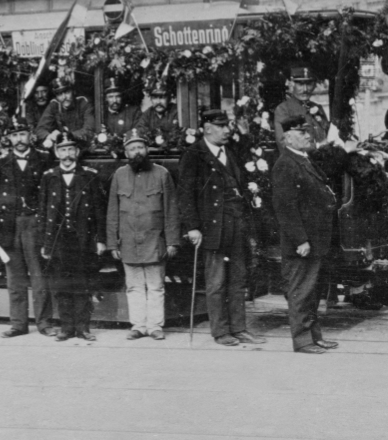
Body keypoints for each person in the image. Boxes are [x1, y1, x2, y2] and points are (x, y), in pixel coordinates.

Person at [178, 109, 263, 346]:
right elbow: (185, 195)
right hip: (212, 226)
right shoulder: (194, 155)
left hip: (236, 224)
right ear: (206, 129)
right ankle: (221, 331)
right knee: (216, 282)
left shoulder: (230, 152)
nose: (227, 130)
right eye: (221, 126)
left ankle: (239, 327)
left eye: (228, 125)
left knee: (238, 279)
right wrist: (193, 227)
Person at [271, 115, 339, 354]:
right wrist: (300, 240)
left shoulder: (304, 160)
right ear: (287, 137)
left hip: (315, 240)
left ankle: (314, 336)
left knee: (312, 292)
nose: (309, 136)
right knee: (301, 291)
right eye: (301, 133)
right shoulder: (286, 164)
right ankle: (302, 341)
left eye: (308, 132)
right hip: (302, 243)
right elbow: (285, 208)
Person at [0, 115, 53, 338]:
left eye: (22, 134)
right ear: (9, 139)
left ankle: (44, 323)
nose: (19, 139)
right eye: (14, 135)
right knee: (14, 276)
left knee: (39, 276)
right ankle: (18, 324)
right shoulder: (0, 162)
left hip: (34, 223)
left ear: (30, 135)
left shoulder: (43, 159)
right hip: (8, 225)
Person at [107, 128, 181, 341]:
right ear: (126, 152)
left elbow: (171, 210)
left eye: (140, 147)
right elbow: (112, 212)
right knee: (134, 286)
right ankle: (138, 325)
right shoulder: (119, 175)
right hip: (128, 242)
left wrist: (172, 241)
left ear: (147, 149)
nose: (137, 152)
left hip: (155, 241)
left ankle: (155, 326)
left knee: (156, 286)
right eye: (132, 148)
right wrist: (113, 243)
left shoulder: (162, 174)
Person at [38, 131, 107, 341]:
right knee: (61, 286)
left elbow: (99, 211)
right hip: (59, 242)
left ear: (77, 152)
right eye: (62, 149)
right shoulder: (48, 177)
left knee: (82, 284)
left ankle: (83, 328)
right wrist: (45, 243)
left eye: (70, 149)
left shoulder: (89, 176)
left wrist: (101, 239)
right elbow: (43, 213)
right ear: (57, 152)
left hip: (83, 240)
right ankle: (67, 328)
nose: (67, 154)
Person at [273, 65, 330, 147]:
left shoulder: (318, 107)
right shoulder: (283, 109)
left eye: (309, 83)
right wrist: (317, 146)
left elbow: (327, 134)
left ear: (314, 85)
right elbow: (284, 143)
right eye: (300, 84)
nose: (305, 89)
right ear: (292, 84)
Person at [36, 77, 97, 147]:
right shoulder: (54, 105)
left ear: (73, 91)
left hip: (82, 145)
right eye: (59, 94)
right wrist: (50, 136)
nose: (64, 97)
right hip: (63, 147)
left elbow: (89, 130)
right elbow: (40, 129)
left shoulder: (83, 103)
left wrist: (70, 135)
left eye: (67, 92)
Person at [134, 82, 180, 149]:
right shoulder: (147, 114)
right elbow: (140, 131)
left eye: (162, 97)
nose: (158, 102)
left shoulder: (177, 111)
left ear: (169, 98)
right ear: (151, 99)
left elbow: (179, 133)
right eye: (155, 98)